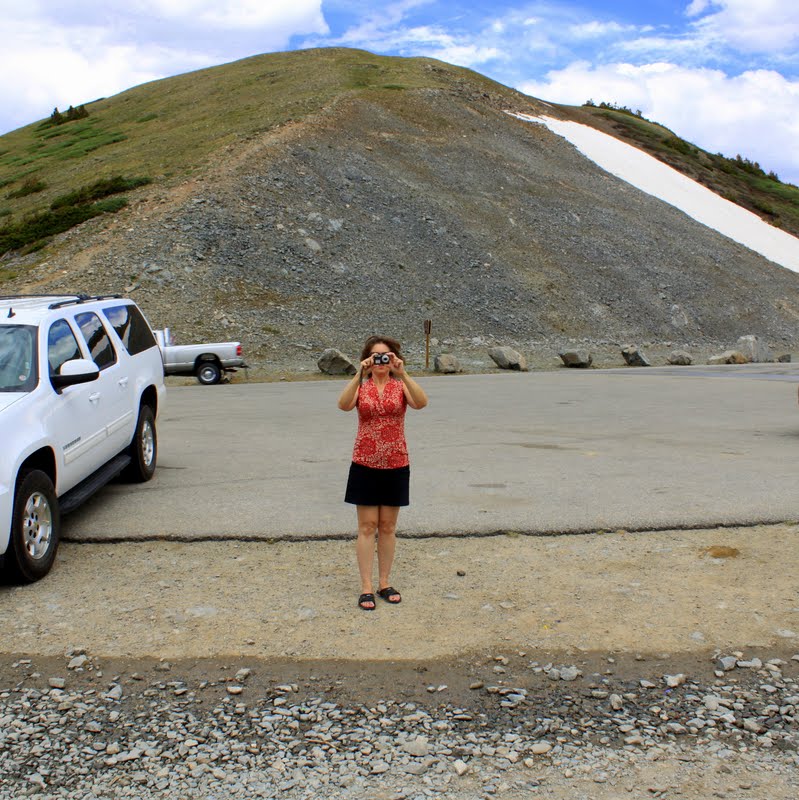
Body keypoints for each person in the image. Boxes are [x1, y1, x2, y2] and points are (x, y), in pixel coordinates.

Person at [338, 335, 428, 610]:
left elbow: (421, 402)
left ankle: (384, 582)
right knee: (367, 527)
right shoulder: (361, 386)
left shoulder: (400, 386)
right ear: (367, 359)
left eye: (385, 356)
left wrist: (403, 373)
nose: (380, 360)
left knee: (388, 526)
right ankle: (366, 586)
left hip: (395, 462)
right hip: (364, 463)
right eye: (375, 356)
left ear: (393, 358)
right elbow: (343, 404)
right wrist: (359, 373)